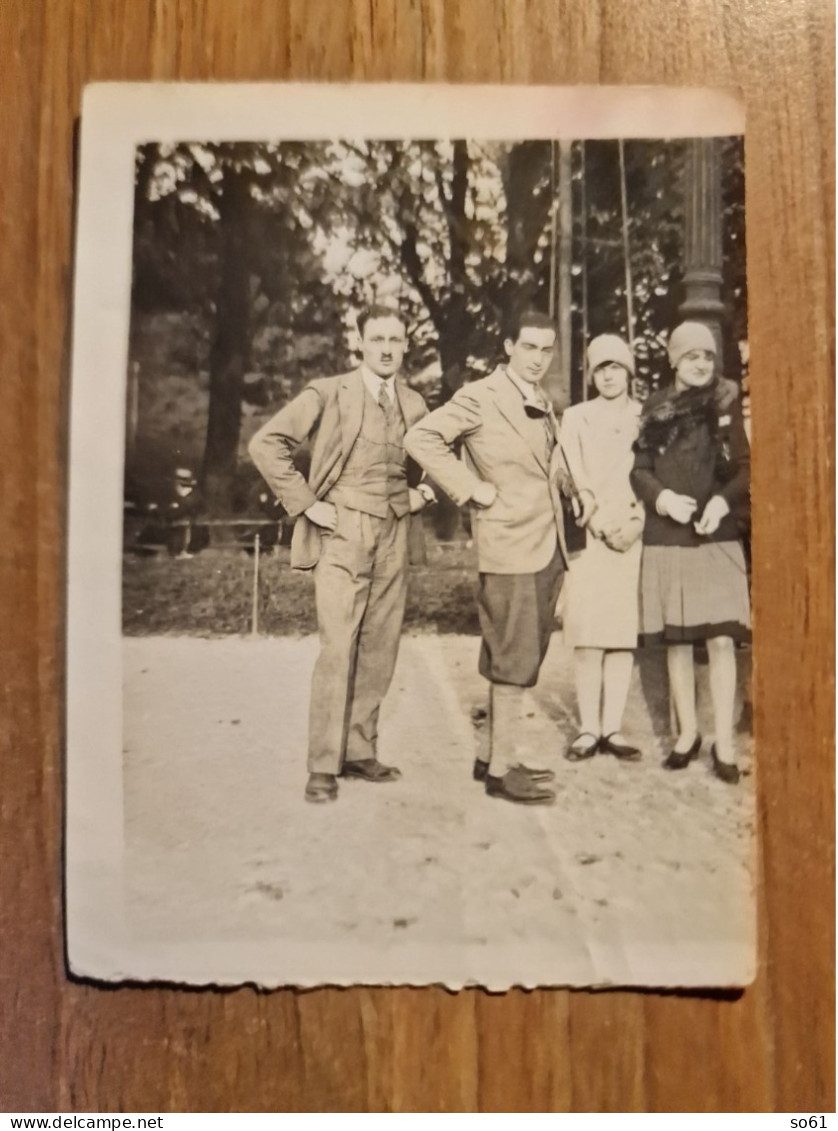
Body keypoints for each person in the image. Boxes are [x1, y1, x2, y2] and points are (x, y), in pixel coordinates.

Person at [249, 305, 434, 803]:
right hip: (342, 530)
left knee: (381, 644)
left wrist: (426, 492)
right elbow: (266, 444)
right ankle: (322, 765)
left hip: (395, 529)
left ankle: (358, 751)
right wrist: (307, 505)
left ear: (406, 345)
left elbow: (442, 454)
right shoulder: (329, 392)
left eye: (396, 339)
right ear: (361, 343)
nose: (388, 348)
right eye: (378, 339)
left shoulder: (415, 403)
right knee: (338, 646)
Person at [405, 309, 568, 806]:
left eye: (547, 349)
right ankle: (502, 770)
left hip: (546, 542)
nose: (538, 358)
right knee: (512, 657)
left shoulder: (543, 400)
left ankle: (491, 755)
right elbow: (420, 438)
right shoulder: (481, 395)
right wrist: (470, 488)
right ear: (509, 347)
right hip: (509, 545)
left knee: (517, 651)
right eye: (529, 348)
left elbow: (546, 469)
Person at [630, 321, 751, 784]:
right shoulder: (654, 408)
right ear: (674, 360)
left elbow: (744, 468)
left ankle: (723, 740)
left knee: (721, 640)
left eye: (707, 357)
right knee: (678, 640)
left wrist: (721, 501)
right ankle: (687, 733)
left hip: (715, 536)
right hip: (669, 536)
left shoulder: (725, 406)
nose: (701, 364)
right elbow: (639, 470)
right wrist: (662, 498)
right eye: (692, 356)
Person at [558, 334, 644, 762]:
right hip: (591, 532)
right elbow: (569, 470)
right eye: (601, 368)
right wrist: (593, 517)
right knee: (589, 633)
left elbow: (654, 473)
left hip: (633, 531)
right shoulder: (575, 417)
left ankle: (613, 726)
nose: (609, 375)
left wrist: (635, 523)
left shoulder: (646, 417)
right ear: (591, 374)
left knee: (621, 635)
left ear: (629, 370)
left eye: (616, 367)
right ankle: (589, 728)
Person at [165, 468, 209, 559]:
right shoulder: (183, 497)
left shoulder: (192, 498)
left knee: (182, 524)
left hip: (194, 532)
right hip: (187, 528)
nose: (175, 485)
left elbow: (178, 513)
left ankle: (181, 551)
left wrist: (172, 510)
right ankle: (177, 550)